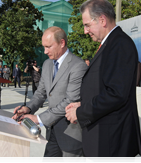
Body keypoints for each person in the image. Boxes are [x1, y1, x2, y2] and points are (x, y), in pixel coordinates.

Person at [65, 0, 141, 162]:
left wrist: (80, 112)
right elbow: (104, 87)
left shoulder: (120, 44)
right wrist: (83, 103)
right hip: (107, 140)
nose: (85, 31)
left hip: (113, 142)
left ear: (102, 20)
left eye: (87, 25)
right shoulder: (111, 44)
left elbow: (116, 94)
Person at [12, 26, 88, 161]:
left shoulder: (78, 65)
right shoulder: (47, 64)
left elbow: (70, 100)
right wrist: (28, 108)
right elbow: (41, 93)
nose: (45, 51)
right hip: (52, 131)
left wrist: (39, 119)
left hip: (70, 133)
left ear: (62, 43)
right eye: (44, 47)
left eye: (48, 47)